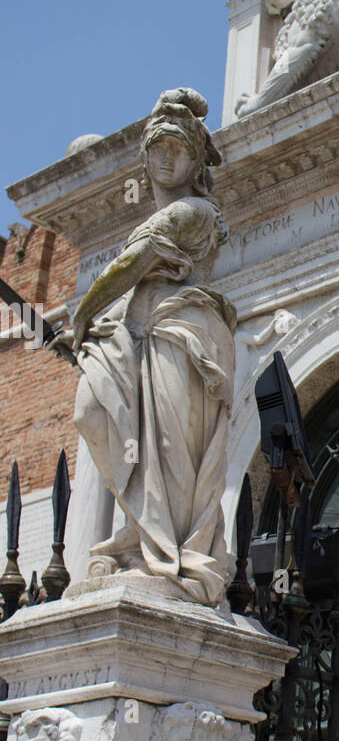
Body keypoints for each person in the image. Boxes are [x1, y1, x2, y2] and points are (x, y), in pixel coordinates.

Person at [68, 89, 235, 606]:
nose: (166, 158)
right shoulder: (172, 211)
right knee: (93, 410)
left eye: (178, 149)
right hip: (145, 333)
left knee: (170, 451)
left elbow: (130, 266)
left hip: (181, 337)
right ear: (145, 157)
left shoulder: (193, 211)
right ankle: (142, 531)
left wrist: (79, 316)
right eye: (157, 148)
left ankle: (167, 550)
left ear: (195, 161)